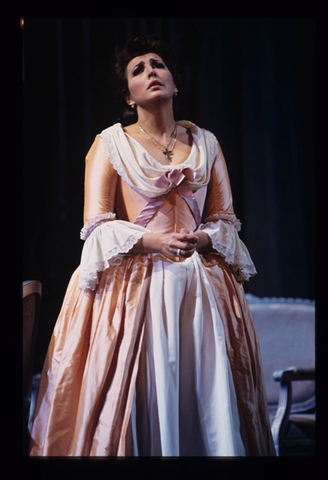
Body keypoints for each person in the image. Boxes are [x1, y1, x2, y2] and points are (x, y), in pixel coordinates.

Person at [29, 34, 276, 456]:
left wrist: (199, 237)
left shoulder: (206, 143)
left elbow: (225, 221)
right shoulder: (110, 145)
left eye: (157, 65)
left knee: (207, 390)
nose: (151, 73)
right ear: (129, 95)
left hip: (201, 285)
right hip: (135, 284)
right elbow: (98, 227)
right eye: (138, 70)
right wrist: (155, 240)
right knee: (141, 389)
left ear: (175, 83)